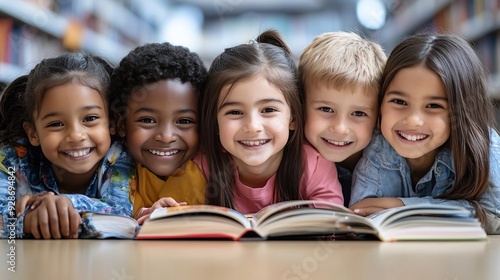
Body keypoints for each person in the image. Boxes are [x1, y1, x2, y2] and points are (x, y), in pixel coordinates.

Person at [349, 33, 500, 234]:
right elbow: (362, 216)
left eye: (433, 106)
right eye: (399, 102)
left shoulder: (485, 146)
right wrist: (458, 211)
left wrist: (402, 206)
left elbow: (494, 216)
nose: (412, 120)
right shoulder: (378, 147)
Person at [197, 29, 343, 214]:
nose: (252, 126)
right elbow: (174, 220)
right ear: (215, 123)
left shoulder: (312, 165)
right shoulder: (200, 167)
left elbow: (333, 225)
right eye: (235, 112)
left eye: (268, 110)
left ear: (294, 118)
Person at [0, 53, 135, 239]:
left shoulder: (120, 156)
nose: (75, 136)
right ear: (33, 133)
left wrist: (64, 204)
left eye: (90, 118)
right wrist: (30, 219)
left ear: (112, 123)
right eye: (56, 124)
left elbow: (122, 216)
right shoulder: (13, 158)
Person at [109, 42, 207, 224]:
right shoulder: (112, 172)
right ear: (122, 125)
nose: (166, 136)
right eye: (147, 120)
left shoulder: (212, 173)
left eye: (184, 121)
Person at [298, 31, 386, 206]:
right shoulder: (290, 158)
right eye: (326, 109)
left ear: (378, 117)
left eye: (358, 114)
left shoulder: (387, 160)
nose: (340, 128)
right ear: (300, 105)